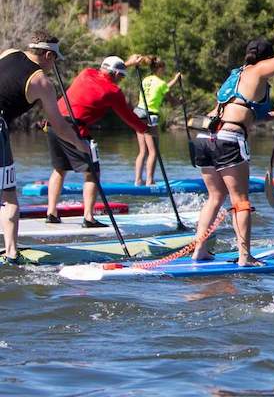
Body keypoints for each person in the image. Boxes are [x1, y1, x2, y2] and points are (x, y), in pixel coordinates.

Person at [189, 9, 274, 266]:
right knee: (241, 201)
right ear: (263, 59)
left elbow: (245, 111)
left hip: (205, 137)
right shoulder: (258, 71)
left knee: (215, 197)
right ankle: (245, 256)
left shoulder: (236, 75)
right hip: (227, 139)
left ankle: (199, 251)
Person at [0, 34, 90, 263]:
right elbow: (59, 126)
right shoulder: (41, 82)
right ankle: (11, 253)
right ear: (48, 55)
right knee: (9, 197)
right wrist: (79, 144)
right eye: (55, 59)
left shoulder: (9, 53)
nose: (54, 65)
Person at [45, 56, 148, 226]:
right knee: (93, 173)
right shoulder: (113, 92)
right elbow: (128, 117)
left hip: (53, 122)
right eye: (121, 77)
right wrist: (145, 129)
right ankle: (88, 217)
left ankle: (52, 213)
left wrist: (127, 64)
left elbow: (104, 71)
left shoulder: (87, 73)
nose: (120, 81)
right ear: (115, 74)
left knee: (60, 169)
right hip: (75, 128)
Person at [127, 54, 182, 186]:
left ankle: (138, 180)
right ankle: (150, 181)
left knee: (142, 151)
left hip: (138, 114)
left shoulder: (146, 80)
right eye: (164, 68)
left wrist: (174, 80)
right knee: (153, 151)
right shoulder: (161, 83)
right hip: (150, 115)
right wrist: (180, 102)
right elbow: (172, 101)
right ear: (160, 68)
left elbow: (160, 89)